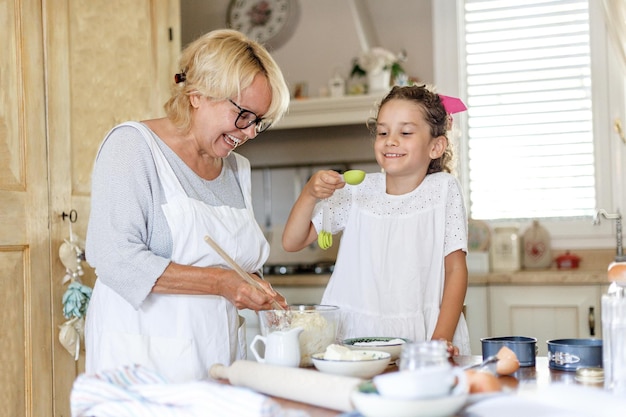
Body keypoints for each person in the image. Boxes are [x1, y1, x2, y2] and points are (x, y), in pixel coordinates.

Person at [84, 29, 290, 382]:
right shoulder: (133, 147)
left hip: (215, 353)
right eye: (244, 114)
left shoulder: (237, 170)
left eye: (259, 121)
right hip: (142, 359)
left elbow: (229, 263)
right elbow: (113, 257)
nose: (250, 132)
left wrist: (252, 285)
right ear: (198, 95)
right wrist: (221, 283)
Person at [282, 85, 471, 356]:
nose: (390, 140)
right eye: (383, 132)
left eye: (405, 132)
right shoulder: (356, 190)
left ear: (436, 146)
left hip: (423, 335)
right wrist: (309, 194)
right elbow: (292, 241)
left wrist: (440, 337)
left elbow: (455, 270)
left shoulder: (443, 190)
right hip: (356, 336)